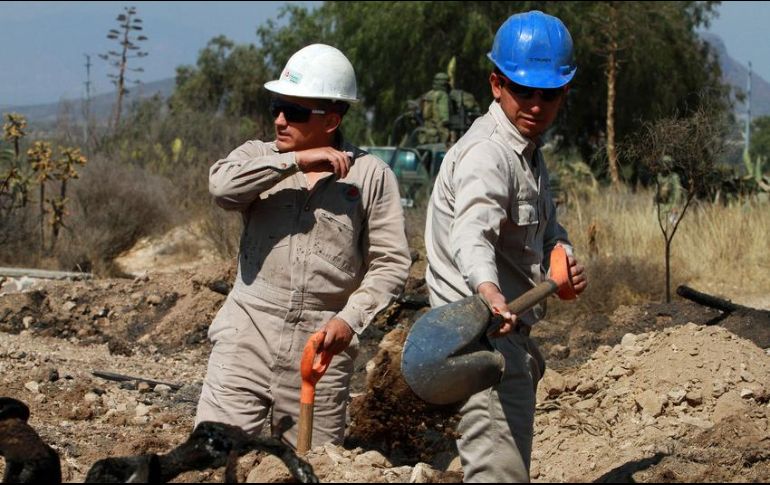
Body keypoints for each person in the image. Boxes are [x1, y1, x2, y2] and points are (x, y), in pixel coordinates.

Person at [195, 43, 411, 449]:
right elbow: (222, 188)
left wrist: (349, 321)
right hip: (247, 334)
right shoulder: (258, 157)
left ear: (331, 119)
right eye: (277, 106)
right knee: (211, 457)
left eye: (293, 112)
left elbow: (391, 263)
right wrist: (295, 161)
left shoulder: (371, 177)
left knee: (311, 468)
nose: (279, 120)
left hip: (320, 350)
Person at [424, 11, 588, 482]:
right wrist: (490, 293)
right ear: (497, 84)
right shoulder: (488, 154)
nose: (536, 104)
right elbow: (471, 234)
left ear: (564, 93)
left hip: (508, 341)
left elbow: (550, 233)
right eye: (523, 91)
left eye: (549, 94)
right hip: (484, 342)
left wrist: (565, 260)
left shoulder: (528, 154)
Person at [418, 72, 452, 145]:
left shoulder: (430, 93)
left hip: (429, 126)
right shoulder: (442, 95)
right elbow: (444, 112)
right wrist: (446, 121)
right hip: (439, 126)